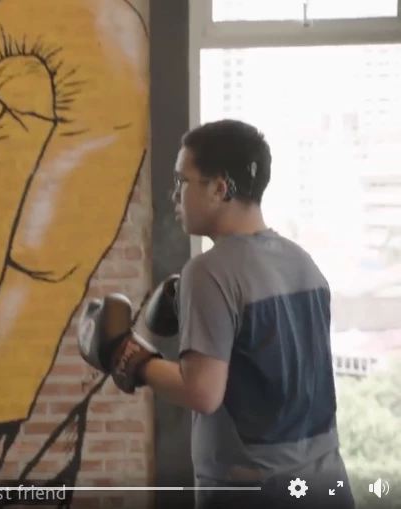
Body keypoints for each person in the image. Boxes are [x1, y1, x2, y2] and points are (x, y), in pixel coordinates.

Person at [78, 119, 354, 509]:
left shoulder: (209, 271)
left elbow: (202, 392)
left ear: (219, 188)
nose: (175, 194)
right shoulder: (303, 262)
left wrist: (126, 354)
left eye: (182, 181)